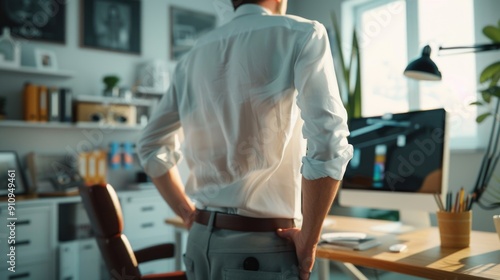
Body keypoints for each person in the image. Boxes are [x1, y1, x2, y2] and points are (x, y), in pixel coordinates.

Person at [137, 0, 353, 279]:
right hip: (261, 249)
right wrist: (308, 240)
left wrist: (187, 213)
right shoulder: (302, 33)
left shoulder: (191, 57)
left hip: (199, 242)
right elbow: (329, 142)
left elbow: (149, 144)